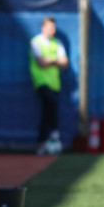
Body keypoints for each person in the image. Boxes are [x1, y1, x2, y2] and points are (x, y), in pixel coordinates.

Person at [29, 16, 68, 155]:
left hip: (55, 83)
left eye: (54, 27)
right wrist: (55, 59)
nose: (53, 30)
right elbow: (41, 62)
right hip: (41, 82)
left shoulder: (57, 43)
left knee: (48, 111)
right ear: (43, 28)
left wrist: (50, 60)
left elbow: (65, 63)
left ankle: (44, 142)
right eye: (50, 27)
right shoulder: (36, 42)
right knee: (50, 103)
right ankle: (55, 133)